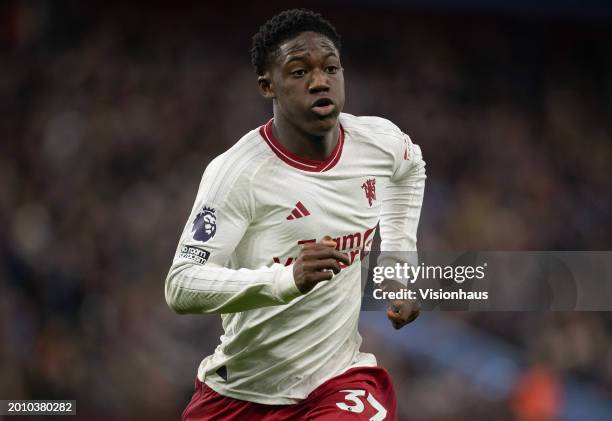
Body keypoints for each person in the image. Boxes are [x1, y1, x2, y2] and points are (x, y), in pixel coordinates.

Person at [165, 8, 425, 421]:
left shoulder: (378, 143)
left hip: (337, 383)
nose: (320, 81)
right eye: (299, 71)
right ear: (268, 85)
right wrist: (287, 279)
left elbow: (411, 169)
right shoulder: (237, 174)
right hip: (241, 393)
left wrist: (396, 264)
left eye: (331, 68)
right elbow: (181, 285)